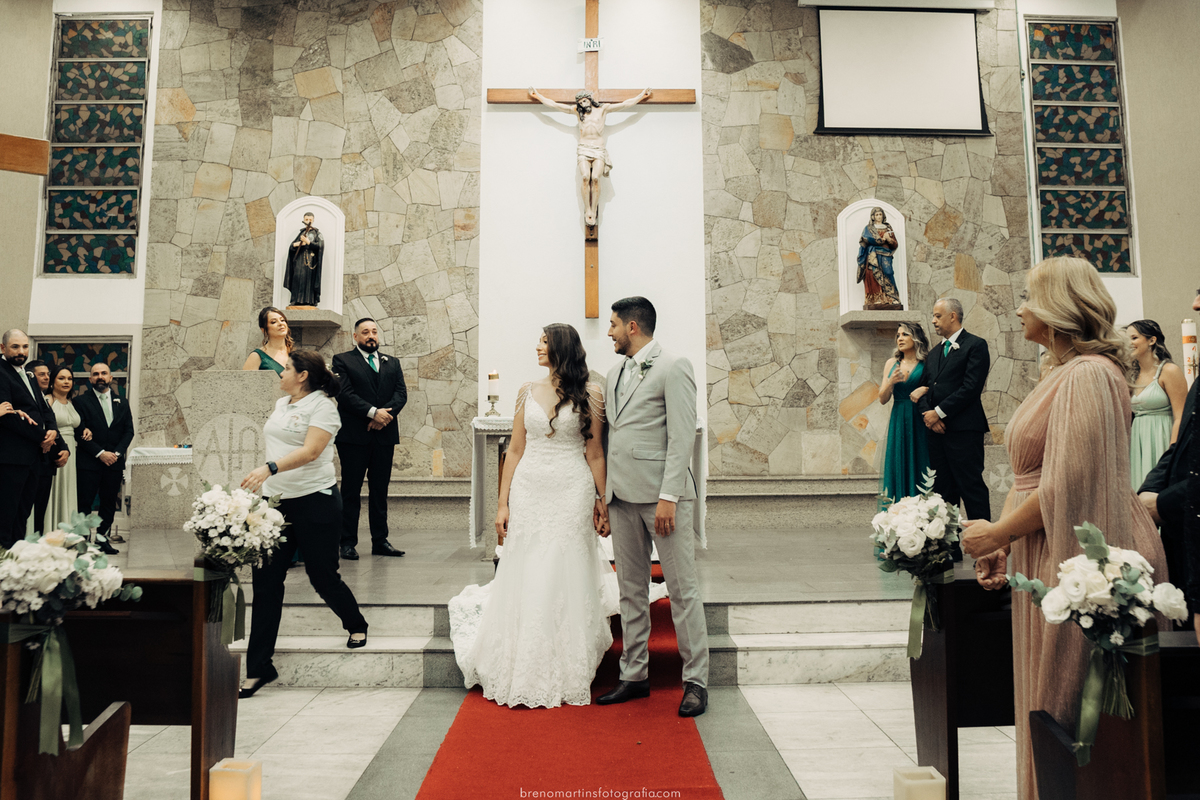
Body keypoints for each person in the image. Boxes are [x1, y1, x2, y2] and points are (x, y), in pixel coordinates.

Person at [963, 256, 1167, 800]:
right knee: (1042, 699)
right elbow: (1033, 475)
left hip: (1075, 554)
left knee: (1064, 701)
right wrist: (1005, 542)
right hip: (1043, 545)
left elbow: (1068, 485)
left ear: (1057, 310)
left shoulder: (1090, 375)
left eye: (1030, 297)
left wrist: (1001, 533)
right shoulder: (1061, 372)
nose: (1021, 308)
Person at [448, 324, 620, 708]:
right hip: (529, 487)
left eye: (544, 341)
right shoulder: (526, 390)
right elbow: (515, 449)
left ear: (561, 347)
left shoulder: (591, 393)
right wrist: (502, 503)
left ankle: (566, 654)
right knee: (528, 562)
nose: (537, 347)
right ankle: (522, 650)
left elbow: (594, 453)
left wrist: (601, 499)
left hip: (571, 486)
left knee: (565, 562)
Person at [599, 297, 709, 718]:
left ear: (632, 326)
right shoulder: (613, 373)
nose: (608, 332)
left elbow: (683, 437)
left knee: (682, 591)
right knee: (630, 591)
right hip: (622, 498)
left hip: (663, 499)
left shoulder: (673, 366)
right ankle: (634, 674)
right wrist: (605, 497)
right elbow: (612, 438)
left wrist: (670, 496)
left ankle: (696, 680)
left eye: (612, 326)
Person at [237, 350, 369, 698]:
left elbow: (312, 451)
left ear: (303, 376)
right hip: (275, 505)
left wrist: (270, 468)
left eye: (286, 368)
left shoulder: (323, 406)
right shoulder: (282, 404)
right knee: (266, 582)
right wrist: (267, 484)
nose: (280, 373)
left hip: (316, 501)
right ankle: (258, 668)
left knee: (321, 575)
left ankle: (356, 623)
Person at [1138, 289, 1200, 628]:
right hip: (1181, 516)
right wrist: (1148, 490)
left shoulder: (1171, 371)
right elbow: (1182, 447)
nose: (1194, 304)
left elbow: (1178, 422)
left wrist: (1164, 502)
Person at [331, 318, 407, 560]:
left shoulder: (392, 363)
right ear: (355, 337)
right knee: (351, 490)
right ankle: (347, 542)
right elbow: (344, 394)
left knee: (379, 490)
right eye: (365, 332)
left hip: (384, 436)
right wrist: (373, 413)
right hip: (354, 437)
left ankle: (380, 540)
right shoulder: (342, 361)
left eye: (374, 331)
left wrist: (384, 416)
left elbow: (400, 394)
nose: (371, 336)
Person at [913, 298, 992, 524]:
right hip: (936, 433)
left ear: (953, 316)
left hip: (965, 430)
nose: (933, 320)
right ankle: (948, 550)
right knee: (943, 490)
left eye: (937, 316)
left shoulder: (975, 345)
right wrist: (929, 416)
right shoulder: (935, 352)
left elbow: (971, 388)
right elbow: (925, 388)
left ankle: (984, 550)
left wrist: (939, 412)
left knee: (971, 486)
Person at [528, 87, 652, 227]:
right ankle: (587, 210)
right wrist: (538, 96)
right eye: (580, 102)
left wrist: (641, 96)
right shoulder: (577, 112)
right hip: (583, 148)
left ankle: (594, 209)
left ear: (590, 99)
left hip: (598, 149)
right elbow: (556, 106)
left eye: (585, 100)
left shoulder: (603, 109)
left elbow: (624, 105)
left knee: (596, 178)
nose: (583, 104)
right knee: (586, 177)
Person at [0, 330, 54, 548]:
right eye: (15, 347)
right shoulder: (1, 373)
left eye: (24, 347)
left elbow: (42, 408)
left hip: (33, 457)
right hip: (11, 457)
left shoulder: (29, 375)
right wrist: (42, 437)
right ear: (3, 348)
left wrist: (52, 431)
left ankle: (17, 559)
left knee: (23, 514)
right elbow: (8, 417)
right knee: (6, 515)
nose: (21, 351)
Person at [73, 362, 134, 555]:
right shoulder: (80, 402)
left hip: (114, 463)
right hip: (89, 462)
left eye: (104, 373)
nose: (100, 377)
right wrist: (100, 453)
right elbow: (79, 432)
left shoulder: (122, 402)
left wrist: (115, 454)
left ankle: (102, 539)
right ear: (90, 379)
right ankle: (82, 540)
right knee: (84, 502)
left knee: (108, 503)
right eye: (96, 374)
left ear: (110, 378)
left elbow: (128, 431)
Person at [1127, 319, 1187, 490]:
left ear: (1151, 340)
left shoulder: (1169, 371)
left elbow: (1180, 417)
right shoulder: (1131, 375)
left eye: (1134, 338)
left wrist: (1172, 454)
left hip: (1162, 437)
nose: (1128, 344)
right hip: (1137, 442)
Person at [877, 323, 931, 510]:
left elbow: (937, 388)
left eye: (905, 334)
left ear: (916, 338)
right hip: (899, 418)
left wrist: (925, 388)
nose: (899, 338)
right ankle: (896, 517)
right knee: (898, 463)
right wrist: (890, 382)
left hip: (919, 419)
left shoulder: (927, 363)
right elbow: (883, 399)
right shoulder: (892, 364)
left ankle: (922, 515)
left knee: (920, 462)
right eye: (897, 335)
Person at [24, 360, 69, 537]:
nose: (46, 377)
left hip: (46, 463)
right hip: (31, 460)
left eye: (47, 374)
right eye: (41, 374)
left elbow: (53, 427)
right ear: (29, 376)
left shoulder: (43, 398)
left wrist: (64, 449)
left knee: (40, 512)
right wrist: (45, 439)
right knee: (26, 511)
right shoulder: (26, 398)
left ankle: (37, 545)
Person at [40, 365, 84, 537]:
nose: (66, 382)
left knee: (68, 491)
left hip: (71, 451)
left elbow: (76, 426)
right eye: (61, 378)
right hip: (55, 450)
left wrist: (85, 431)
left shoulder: (73, 403)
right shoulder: (48, 400)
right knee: (52, 492)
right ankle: (50, 532)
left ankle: (67, 534)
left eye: (69, 379)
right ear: (52, 381)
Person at [856, 207, 902, 310]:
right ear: (873, 217)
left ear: (883, 216)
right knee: (872, 275)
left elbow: (895, 244)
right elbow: (865, 239)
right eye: (876, 215)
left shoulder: (888, 227)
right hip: (872, 255)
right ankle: (876, 299)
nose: (878, 217)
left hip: (886, 254)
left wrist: (889, 239)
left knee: (888, 273)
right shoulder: (868, 228)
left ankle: (892, 297)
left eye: (880, 214)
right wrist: (881, 239)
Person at [284, 212, 324, 307]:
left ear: (313, 220)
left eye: (310, 220)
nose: (308, 221)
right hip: (299, 261)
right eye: (306, 219)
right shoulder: (301, 233)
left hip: (310, 262)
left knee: (308, 280)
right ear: (303, 220)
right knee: (297, 278)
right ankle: (295, 299)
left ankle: (309, 300)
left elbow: (320, 246)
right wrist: (297, 244)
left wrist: (308, 242)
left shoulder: (317, 233)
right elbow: (292, 246)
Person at [242, 306, 294, 375]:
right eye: (273, 322)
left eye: (282, 320)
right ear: (264, 330)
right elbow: (245, 384)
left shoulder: (294, 354)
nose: (280, 323)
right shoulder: (256, 356)